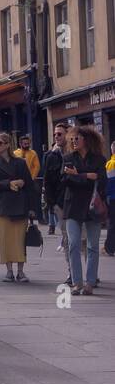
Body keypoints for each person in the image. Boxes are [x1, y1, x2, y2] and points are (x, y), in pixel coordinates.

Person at [61, 125, 107, 296]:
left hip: (92, 206)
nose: (73, 141)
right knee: (73, 244)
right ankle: (77, 282)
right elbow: (65, 180)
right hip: (72, 206)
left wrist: (78, 174)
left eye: (76, 138)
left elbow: (101, 182)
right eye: (71, 139)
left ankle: (90, 282)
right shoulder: (68, 158)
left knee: (92, 246)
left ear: (85, 140)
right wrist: (88, 176)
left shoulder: (99, 160)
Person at [0, 133, 34, 283]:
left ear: (8, 145)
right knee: (6, 239)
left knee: (19, 239)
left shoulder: (20, 162)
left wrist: (32, 207)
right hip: (3, 206)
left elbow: (29, 184)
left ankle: (20, 272)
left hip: (20, 205)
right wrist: (9, 183)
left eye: (0, 143)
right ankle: (9, 271)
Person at [43, 123, 69, 242]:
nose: (56, 136)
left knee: (79, 241)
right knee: (67, 239)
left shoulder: (75, 154)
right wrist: (52, 203)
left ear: (68, 135)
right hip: (60, 202)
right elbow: (48, 180)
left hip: (76, 201)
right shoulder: (51, 156)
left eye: (59, 134)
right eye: (55, 134)